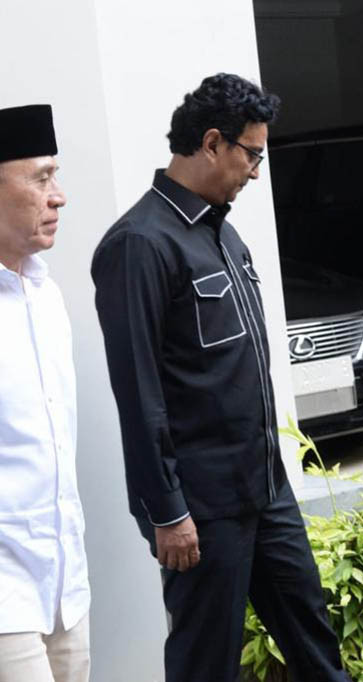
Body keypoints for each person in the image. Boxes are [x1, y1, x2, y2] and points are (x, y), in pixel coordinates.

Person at [91, 74, 350, 682]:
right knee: (206, 662)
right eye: (252, 154)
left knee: (315, 639)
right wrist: (166, 511)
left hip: (266, 491)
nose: (257, 172)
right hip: (202, 511)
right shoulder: (140, 245)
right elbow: (138, 394)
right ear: (212, 143)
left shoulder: (225, 236)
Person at [0, 104, 90, 682]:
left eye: (56, 176)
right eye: (40, 178)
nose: (58, 196)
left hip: (65, 584)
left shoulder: (47, 296)